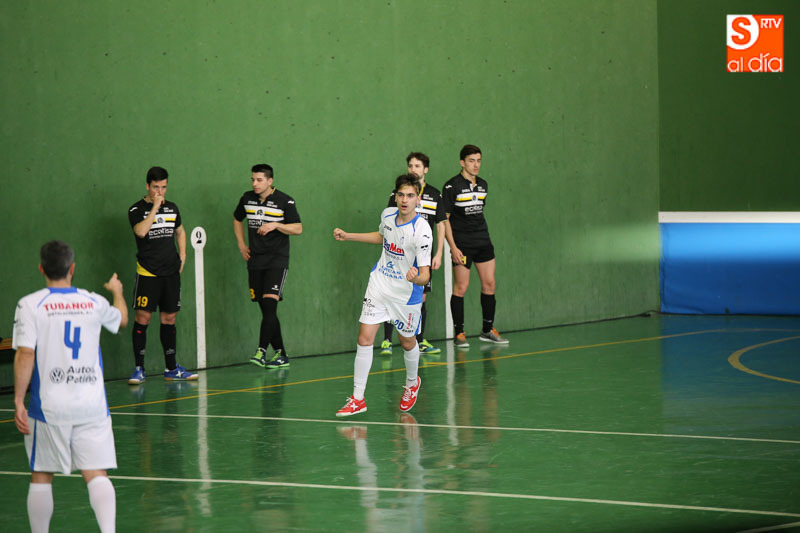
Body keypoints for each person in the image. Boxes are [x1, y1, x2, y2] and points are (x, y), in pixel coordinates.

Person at [13, 240, 129, 533]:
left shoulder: (30, 304)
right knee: (96, 472)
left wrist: (18, 400)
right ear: (72, 269)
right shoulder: (93, 301)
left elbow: (25, 353)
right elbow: (122, 320)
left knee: (42, 473)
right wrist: (117, 291)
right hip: (91, 405)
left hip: (49, 407)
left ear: (41, 269)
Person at [333, 174, 433, 416]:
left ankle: (412, 383)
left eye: (410, 195)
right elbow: (382, 237)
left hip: (406, 294)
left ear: (418, 199)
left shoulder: (422, 231)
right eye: (401, 195)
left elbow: (426, 275)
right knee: (364, 338)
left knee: (407, 341)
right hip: (379, 284)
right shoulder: (387, 215)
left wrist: (415, 277)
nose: (405, 200)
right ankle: (358, 399)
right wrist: (349, 236)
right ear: (395, 196)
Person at [127, 166, 197, 384]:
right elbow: (140, 231)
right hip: (148, 272)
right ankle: (139, 369)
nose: (160, 191)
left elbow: (180, 231)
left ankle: (171, 368)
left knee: (169, 318)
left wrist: (183, 255)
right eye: (156, 187)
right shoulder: (136, 209)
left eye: (163, 187)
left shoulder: (173, 208)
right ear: (147, 186)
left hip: (171, 273)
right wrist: (155, 207)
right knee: (143, 317)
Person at [234, 163, 302, 368]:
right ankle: (281, 354)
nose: (255, 184)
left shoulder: (285, 201)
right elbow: (237, 219)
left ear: (270, 181)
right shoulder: (247, 198)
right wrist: (241, 244)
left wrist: (276, 225)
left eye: (259, 180)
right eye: (253, 180)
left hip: (277, 260)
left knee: (270, 305)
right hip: (255, 261)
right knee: (267, 311)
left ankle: (261, 351)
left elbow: (298, 228)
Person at [379, 152, 446, 357]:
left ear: (426, 169)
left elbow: (441, 224)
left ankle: (419, 339)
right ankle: (387, 340)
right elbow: (389, 224)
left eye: (417, 166)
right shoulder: (398, 194)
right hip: (399, 253)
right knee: (392, 293)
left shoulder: (435, 194)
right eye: (410, 166)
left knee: (421, 296)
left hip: (422, 255)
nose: (413, 169)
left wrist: (439, 253)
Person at [443, 145, 509, 347]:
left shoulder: (483, 185)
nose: (476, 165)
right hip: (462, 245)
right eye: (471, 161)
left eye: (479, 160)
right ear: (462, 162)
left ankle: (487, 330)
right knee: (461, 287)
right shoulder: (451, 186)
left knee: (489, 283)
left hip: (483, 241)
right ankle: (459, 334)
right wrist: (453, 247)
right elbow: (445, 221)